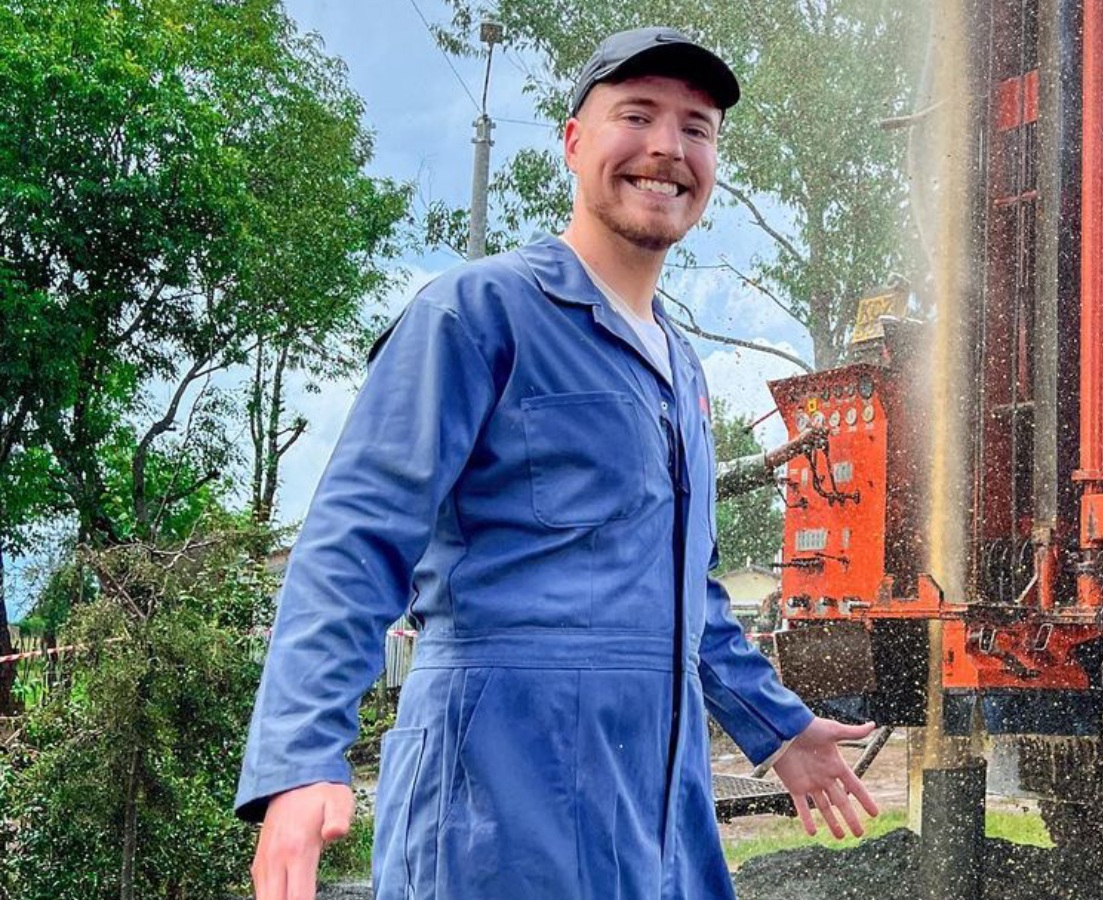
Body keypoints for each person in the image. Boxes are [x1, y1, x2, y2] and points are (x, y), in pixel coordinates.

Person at [237, 26, 878, 900]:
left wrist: (775, 727)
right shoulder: (477, 314)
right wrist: (301, 753)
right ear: (574, 142)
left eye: (696, 127)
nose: (667, 148)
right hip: (499, 806)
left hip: (659, 809)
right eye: (637, 115)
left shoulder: (681, 367)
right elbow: (356, 536)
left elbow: (692, 594)